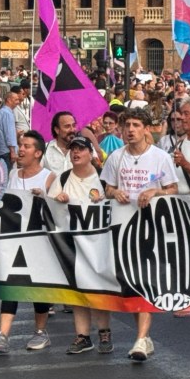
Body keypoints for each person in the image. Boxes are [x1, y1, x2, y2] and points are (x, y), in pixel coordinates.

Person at [101, 108, 178, 361]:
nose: (130, 130)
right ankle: (143, 337)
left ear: (146, 129)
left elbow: (173, 189)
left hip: (151, 226)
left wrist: (156, 192)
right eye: (127, 126)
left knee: (145, 280)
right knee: (132, 281)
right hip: (123, 227)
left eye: (135, 125)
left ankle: (141, 339)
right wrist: (115, 193)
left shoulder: (160, 157)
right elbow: (108, 187)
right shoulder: (116, 157)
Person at [0, 131, 56, 355]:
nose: (21, 149)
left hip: (39, 241)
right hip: (12, 239)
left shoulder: (49, 177)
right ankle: (2, 334)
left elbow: (58, 207)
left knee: (37, 286)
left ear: (38, 153)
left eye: (27, 146)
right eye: (20, 145)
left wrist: (44, 196)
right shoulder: (11, 174)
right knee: (10, 283)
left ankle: (40, 332)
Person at [50, 136, 113, 355]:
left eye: (81, 149)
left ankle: (104, 331)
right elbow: (49, 208)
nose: (76, 153)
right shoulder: (63, 178)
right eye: (73, 149)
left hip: (98, 245)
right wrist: (57, 198)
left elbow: (114, 205)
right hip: (72, 245)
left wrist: (105, 200)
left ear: (90, 153)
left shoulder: (102, 179)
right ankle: (83, 336)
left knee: (99, 290)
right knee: (77, 291)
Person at [0, 85, 21, 170]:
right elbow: (9, 133)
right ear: (9, 100)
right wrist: (12, 151)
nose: (18, 102)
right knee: (6, 175)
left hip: (2, 150)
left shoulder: (3, 112)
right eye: (16, 100)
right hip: (6, 151)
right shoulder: (7, 113)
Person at [43, 111, 77, 175]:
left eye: (74, 125)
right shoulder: (44, 149)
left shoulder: (84, 148)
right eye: (67, 126)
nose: (72, 130)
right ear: (57, 130)